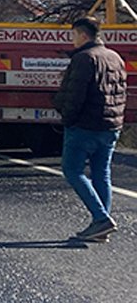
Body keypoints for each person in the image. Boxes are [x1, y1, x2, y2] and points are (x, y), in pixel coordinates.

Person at [52, 16, 127, 242]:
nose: (72, 40)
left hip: (85, 125)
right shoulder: (115, 57)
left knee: (72, 171)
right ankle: (100, 226)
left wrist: (66, 117)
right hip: (111, 125)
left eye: (73, 35)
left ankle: (101, 219)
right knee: (101, 174)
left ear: (83, 35)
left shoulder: (84, 59)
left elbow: (76, 96)